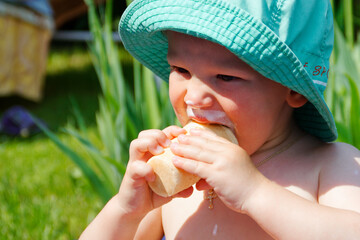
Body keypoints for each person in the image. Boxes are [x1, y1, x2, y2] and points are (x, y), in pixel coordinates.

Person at [79, 0, 360, 239]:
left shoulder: (330, 167)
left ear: (293, 91)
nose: (194, 97)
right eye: (181, 69)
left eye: (225, 77)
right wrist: (127, 210)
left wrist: (254, 193)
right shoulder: (175, 188)